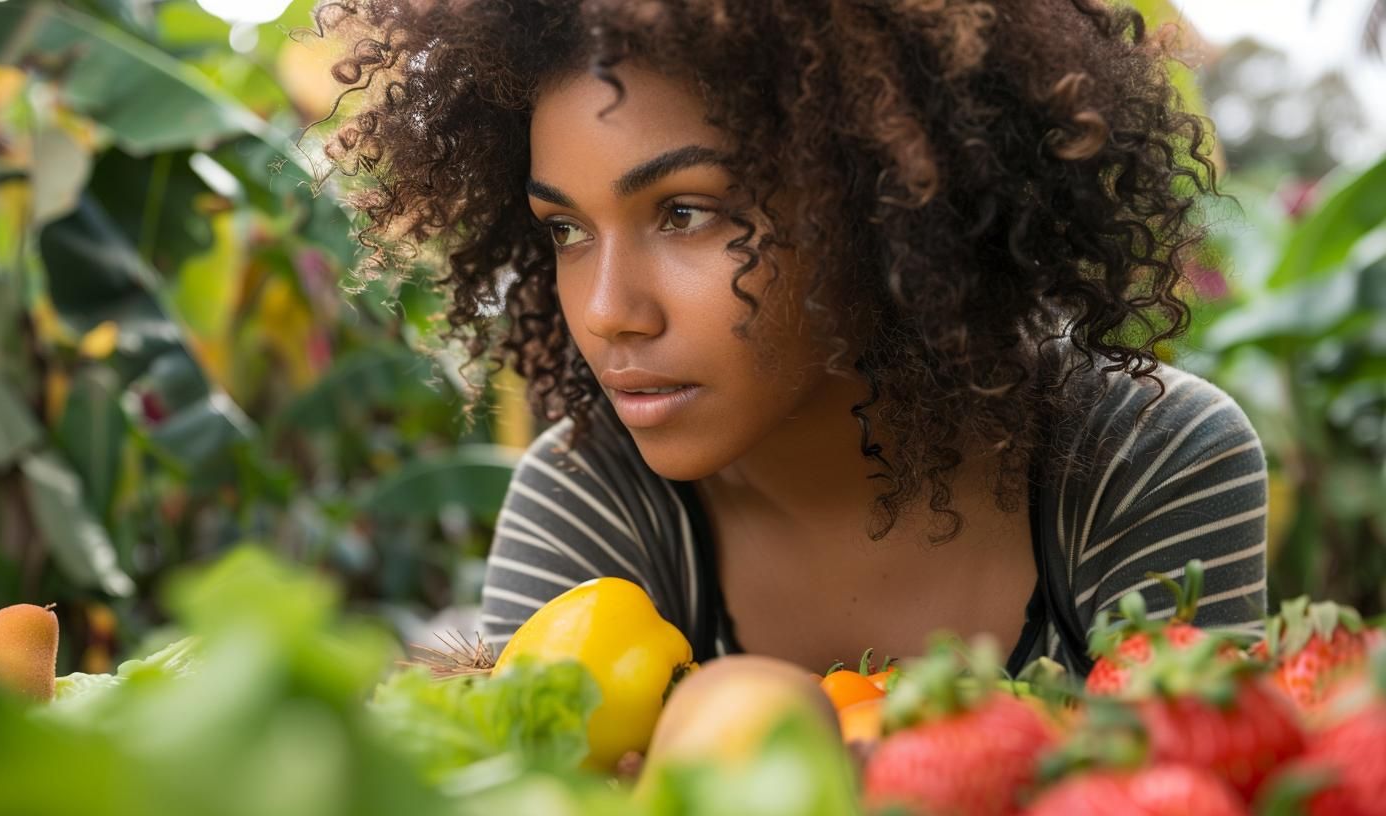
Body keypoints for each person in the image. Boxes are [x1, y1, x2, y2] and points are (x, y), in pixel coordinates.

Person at [319, 0, 1268, 676]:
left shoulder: (1142, 462)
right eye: (565, 230)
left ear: (885, 198)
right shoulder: (594, 500)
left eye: (687, 212)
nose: (608, 310)